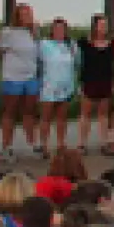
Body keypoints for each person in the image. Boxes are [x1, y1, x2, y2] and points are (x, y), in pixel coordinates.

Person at [0, 3, 43, 161]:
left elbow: (37, 52)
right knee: (10, 111)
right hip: (13, 77)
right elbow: (1, 51)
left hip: (30, 76)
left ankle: (32, 143)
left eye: (29, 14)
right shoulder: (9, 32)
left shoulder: (33, 32)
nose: (27, 17)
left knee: (29, 110)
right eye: (23, 14)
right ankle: (6, 146)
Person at [37, 18, 80, 157]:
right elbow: (37, 63)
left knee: (62, 117)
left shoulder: (71, 45)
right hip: (49, 86)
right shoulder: (44, 44)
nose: (59, 31)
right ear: (52, 30)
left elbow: (77, 64)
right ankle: (44, 145)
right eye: (57, 28)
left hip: (66, 86)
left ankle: (61, 143)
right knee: (46, 117)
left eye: (62, 29)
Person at [77, 14, 114, 155]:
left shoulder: (111, 44)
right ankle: (81, 143)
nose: (102, 28)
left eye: (104, 25)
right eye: (100, 25)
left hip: (105, 81)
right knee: (85, 113)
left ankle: (104, 142)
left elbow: (112, 64)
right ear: (94, 26)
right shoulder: (84, 42)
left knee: (103, 114)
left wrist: (113, 82)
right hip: (89, 81)